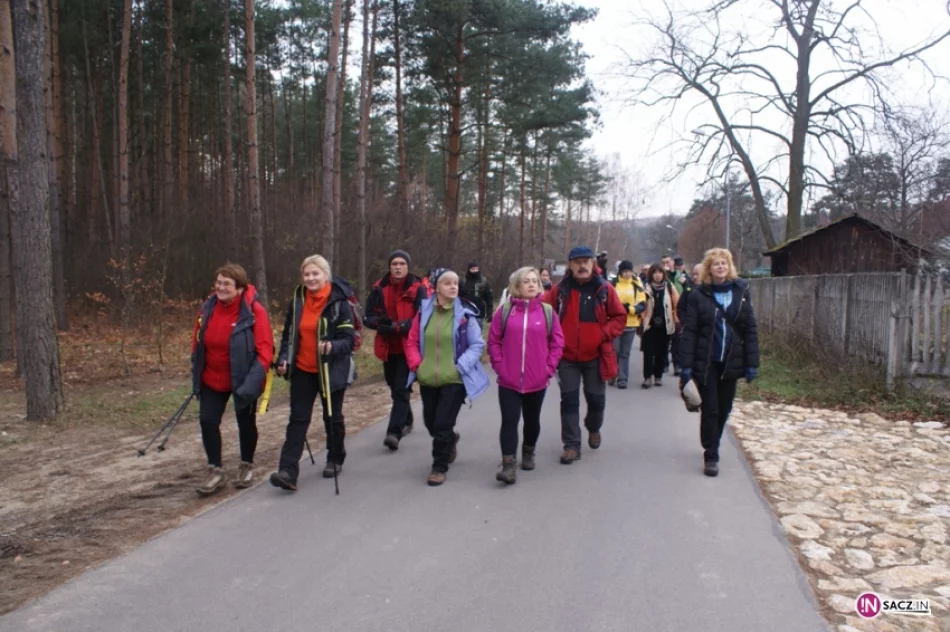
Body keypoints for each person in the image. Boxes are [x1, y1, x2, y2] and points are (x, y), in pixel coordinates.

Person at [269, 255, 357, 491]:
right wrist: (284, 359)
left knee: (332, 417)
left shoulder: (339, 302)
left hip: (331, 368)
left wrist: (332, 346)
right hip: (302, 369)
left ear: (325, 275)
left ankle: (335, 456)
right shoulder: (298, 300)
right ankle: (288, 471)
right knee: (297, 419)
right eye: (306, 274)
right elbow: (289, 335)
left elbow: (349, 340)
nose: (310, 278)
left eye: (315, 273)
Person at [190, 263, 273, 496]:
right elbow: (197, 342)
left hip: (243, 378)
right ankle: (215, 471)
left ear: (239, 288)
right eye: (218, 282)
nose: (221, 287)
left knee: (245, 425)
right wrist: (196, 373)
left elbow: (265, 351)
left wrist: (252, 382)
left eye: (227, 283)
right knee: (207, 421)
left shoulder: (254, 311)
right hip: (211, 378)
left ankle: (246, 465)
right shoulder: (208, 308)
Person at [678, 248, 759, 477]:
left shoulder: (741, 292)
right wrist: (686, 366)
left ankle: (711, 439)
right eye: (716, 264)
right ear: (708, 269)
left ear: (729, 266)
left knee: (725, 408)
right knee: (711, 408)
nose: (720, 267)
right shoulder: (698, 295)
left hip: (732, 361)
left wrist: (752, 363)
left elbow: (749, 328)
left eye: (724, 263)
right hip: (707, 361)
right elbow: (690, 331)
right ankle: (711, 454)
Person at [405, 269, 490, 486]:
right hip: (427, 378)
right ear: (436, 287)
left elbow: (477, 344)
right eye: (447, 283)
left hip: (454, 379)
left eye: (455, 283)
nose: (453, 287)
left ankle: (439, 467)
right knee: (431, 423)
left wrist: (459, 367)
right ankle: (451, 440)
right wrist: (417, 365)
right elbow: (412, 341)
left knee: (442, 423)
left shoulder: (465, 315)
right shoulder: (424, 313)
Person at [543, 246, 626, 464]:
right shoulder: (559, 291)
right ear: (570, 265)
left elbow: (619, 317)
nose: (582, 266)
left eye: (586, 262)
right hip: (566, 357)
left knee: (596, 401)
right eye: (577, 262)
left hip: (596, 356)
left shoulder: (605, 289)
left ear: (593, 265)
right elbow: (541, 313)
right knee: (569, 401)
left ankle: (593, 426)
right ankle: (571, 445)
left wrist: (603, 334)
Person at [488, 267, 564, 484]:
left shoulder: (547, 312)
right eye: (527, 281)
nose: (532, 284)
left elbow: (557, 343)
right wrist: (500, 366)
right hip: (509, 380)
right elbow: (493, 341)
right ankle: (508, 465)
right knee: (509, 421)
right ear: (517, 286)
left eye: (535, 281)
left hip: (537, 380)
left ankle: (529, 450)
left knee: (532, 421)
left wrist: (547, 369)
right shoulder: (504, 312)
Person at [364, 250, 427, 450]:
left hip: (409, 348)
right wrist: (379, 324)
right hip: (387, 348)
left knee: (400, 389)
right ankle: (407, 419)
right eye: (394, 264)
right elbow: (368, 316)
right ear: (389, 267)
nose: (398, 267)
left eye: (401, 263)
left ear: (408, 267)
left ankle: (394, 432)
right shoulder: (379, 287)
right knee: (395, 388)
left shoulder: (418, 289)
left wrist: (399, 327)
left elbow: (422, 318)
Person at [610, 260, 647, 389]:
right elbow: (607, 302)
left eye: (629, 271)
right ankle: (613, 373)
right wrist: (618, 309)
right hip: (615, 322)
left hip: (630, 323)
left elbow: (642, 304)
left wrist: (630, 309)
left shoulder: (636, 285)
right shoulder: (613, 284)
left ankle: (623, 379)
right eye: (625, 271)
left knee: (625, 353)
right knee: (615, 351)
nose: (627, 274)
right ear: (620, 272)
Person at [641, 263, 679, 389]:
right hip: (650, 324)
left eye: (660, 273)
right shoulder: (645, 287)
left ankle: (658, 376)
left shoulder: (669, 287)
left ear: (663, 274)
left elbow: (677, 303)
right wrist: (643, 319)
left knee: (662, 352)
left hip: (665, 324)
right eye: (655, 273)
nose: (657, 275)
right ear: (651, 274)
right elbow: (641, 304)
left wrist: (676, 319)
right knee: (648, 352)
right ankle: (647, 377)